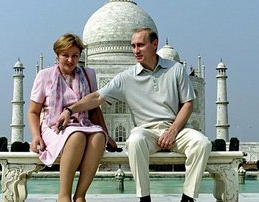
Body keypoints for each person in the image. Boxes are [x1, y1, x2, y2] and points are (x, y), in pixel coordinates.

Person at [57, 28, 212, 202]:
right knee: (135, 141)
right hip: (147, 131)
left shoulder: (175, 69)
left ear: (154, 44)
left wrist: (173, 130)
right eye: (132, 46)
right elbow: (97, 97)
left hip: (177, 129)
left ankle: (188, 197)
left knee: (202, 143)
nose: (136, 50)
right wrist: (70, 110)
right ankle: (144, 198)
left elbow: (188, 104)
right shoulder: (127, 78)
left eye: (140, 45)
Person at [28, 33, 117, 202]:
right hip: (54, 128)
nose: (70, 60)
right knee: (76, 136)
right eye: (65, 55)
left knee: (99, 137)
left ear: (80, 56)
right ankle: (63, 196)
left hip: (83, 124)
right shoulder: (45, 76)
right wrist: (36, 136)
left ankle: (80, 195)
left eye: (75, 56)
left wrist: (107, 134)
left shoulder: (88, 74)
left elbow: (95, 108)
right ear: (57, 55)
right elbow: (33, 111)